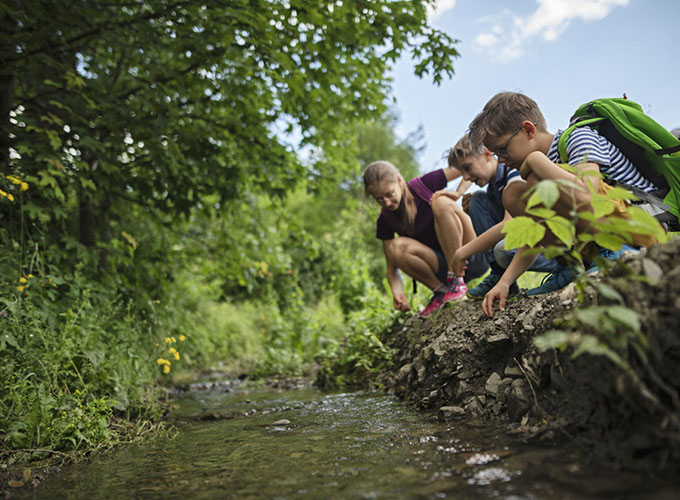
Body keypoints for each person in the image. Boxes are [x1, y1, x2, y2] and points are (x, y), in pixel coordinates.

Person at [467, 91, 661, 317]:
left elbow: (587, 195)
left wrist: (536, 160)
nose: (501, 160)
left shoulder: (579, 138)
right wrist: (505, 281)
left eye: (502, 150)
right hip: (603, 228)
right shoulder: (544, 169)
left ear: (528, 130)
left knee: (535, 180)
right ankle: (574, 266)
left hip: (640, 228)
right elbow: (538, 229)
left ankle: (620, 254)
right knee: (514, 193)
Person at [446, 134, 560, 299]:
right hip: (528, 237)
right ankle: (498, 273)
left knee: (504, 250)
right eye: (462, 172)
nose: (466, 177)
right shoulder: (493, 188)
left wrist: (463, 252)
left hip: (546, 240)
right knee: (476, 200)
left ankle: (563, 264)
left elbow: (509, 223)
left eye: (468, 167)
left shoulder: (513, 171)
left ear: (487, 154)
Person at [363, 160, 478, 317]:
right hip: (441, 265)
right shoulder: (385, 219)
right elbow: (391, 267)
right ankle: (441, 291)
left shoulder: (423, 185)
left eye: (389, 194)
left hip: (471, 254)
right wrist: (397, 292)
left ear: (398, 180)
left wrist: (458, 193)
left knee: (441, 201)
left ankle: (456, 280)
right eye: (380, 199)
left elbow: (468, 166)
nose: (387, 202)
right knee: (396, 247)